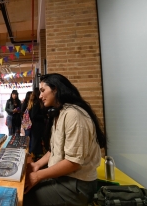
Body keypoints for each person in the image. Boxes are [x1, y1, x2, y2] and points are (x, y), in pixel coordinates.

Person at [23, 73, 107, 206]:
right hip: (64, 179)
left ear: (55, 89)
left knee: (23, 199)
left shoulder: (73, 115)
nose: (40, 96)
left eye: (43, 90)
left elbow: (73, 162)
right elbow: (54, 150)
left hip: (77, 186)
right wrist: (37, 165)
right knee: (24, 189)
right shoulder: (60, 113)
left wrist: (37, 176)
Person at [27, 87, 45, 159]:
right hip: (37, 125)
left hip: (35, 125)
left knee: (35, 140)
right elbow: (34, 115)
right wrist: (44, 116)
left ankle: (35, 155)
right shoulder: (36, 103)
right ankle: (33, 156)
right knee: (36, 141)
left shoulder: (33, 102)